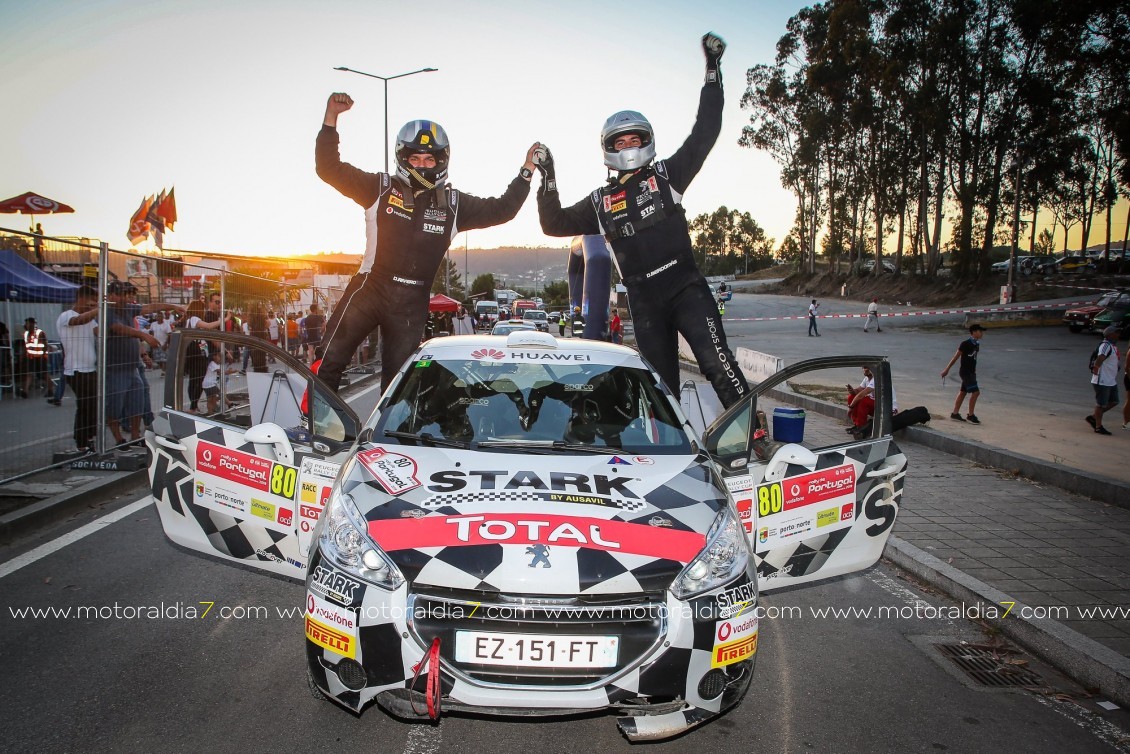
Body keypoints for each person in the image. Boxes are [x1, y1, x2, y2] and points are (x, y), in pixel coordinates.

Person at [536, 33, 749, 408]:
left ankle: (755, 436)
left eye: (635, 140)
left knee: (717, 365)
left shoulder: (669, 175)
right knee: (659, 390)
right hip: (643, 301)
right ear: (608, 149)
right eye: (620, 142)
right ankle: (671, 453)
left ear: (647, 142)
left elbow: (706, 131)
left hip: (686, 287)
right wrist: (548, 176)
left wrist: (712, 71)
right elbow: (552, 223)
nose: (629, 147)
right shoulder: (599, 203)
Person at [315, 92, 541, 393]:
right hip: (370, 288)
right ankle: (318, 429)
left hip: (411, 303)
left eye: (429, 158)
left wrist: (526, 171)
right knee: (329, 359)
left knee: (399, 385)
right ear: (402, 158)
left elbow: (503, 210)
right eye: (414, 158)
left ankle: (384, 438)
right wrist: (331, 118)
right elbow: (328, 167)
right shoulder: (378, 188)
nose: (422, 165)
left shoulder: (453, 203)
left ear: (441, 160)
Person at [57, 285, 99, 452]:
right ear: (82, 298)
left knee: (93, 405)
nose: (93, 305)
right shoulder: (66, 316)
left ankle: (89, 437)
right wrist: (98, 309)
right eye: (91, 302)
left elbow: (98, 331)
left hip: (90, 369)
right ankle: (81, 442)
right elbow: (78, 321)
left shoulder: (90, 319)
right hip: (76, 370)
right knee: (84, 406)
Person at [179, 299, 227, 412]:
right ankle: (193, 407)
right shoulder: (195, 319)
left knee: (193, 380)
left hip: (191, 352)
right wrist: (224, 319)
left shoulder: (187, 320)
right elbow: (209, 326)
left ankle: (193, 405)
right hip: (197, 354)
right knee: (200, 380)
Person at [941, 323, 984, 424]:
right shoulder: (965, 344)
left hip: (971, 372)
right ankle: (971, 415)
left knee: (963, 392)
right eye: (980, 331)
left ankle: (955, 413)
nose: (982, 333)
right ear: (974, 332)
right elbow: (955, 357)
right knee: (976, 392)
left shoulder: (976, 343)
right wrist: (946, 369)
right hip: (966, 372)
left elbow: (973, 359)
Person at [1088, 325, 1121, 435]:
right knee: (1101, 404)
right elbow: (1100, 357)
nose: (1118, 334)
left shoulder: (1113, 346)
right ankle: (1098, 426)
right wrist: (1096, 369)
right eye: (1116, 332)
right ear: (1109, 334)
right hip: (1102, 380)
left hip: (1110, 380)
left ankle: (1093, 417)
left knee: (1114, 401)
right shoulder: (1105, 345)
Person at [20, 318, 49, 398]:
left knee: (44, 374)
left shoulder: (40, 333)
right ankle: (25, 391)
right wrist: (23, 356)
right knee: (29, 373)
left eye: (28, 323)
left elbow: (45, 345)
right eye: (26, 324)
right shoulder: (26, 334)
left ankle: (51, 388)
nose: (26, 325)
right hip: (31, 357)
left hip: (40, 357)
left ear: (32, 324)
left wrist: (44, 355)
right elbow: (25, 346)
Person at [846, 366, 876, 433]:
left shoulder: (876, 379)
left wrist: (851, 407)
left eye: (867, 367)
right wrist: (852, 391)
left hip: (886, 409)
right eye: (863, 367)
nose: (865, 370)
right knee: (851, 397)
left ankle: (861, 427)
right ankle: (857, 424)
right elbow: (859, 390)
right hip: (876, 405)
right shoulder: (866, 379)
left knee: (863, 400)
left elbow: (862, 394)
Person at [149, 310, 172, 376]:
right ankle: (164, 369)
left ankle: (164, 371)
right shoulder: (153, 324)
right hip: (155, 344)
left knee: (164, 359)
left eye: (160, 316)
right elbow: (151, 333)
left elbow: (169, 335)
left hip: (163, 344)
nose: (159, 317)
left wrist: (166, 344)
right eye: (157, 316)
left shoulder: (166, 325)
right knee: (158, 360)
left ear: (163, 317)